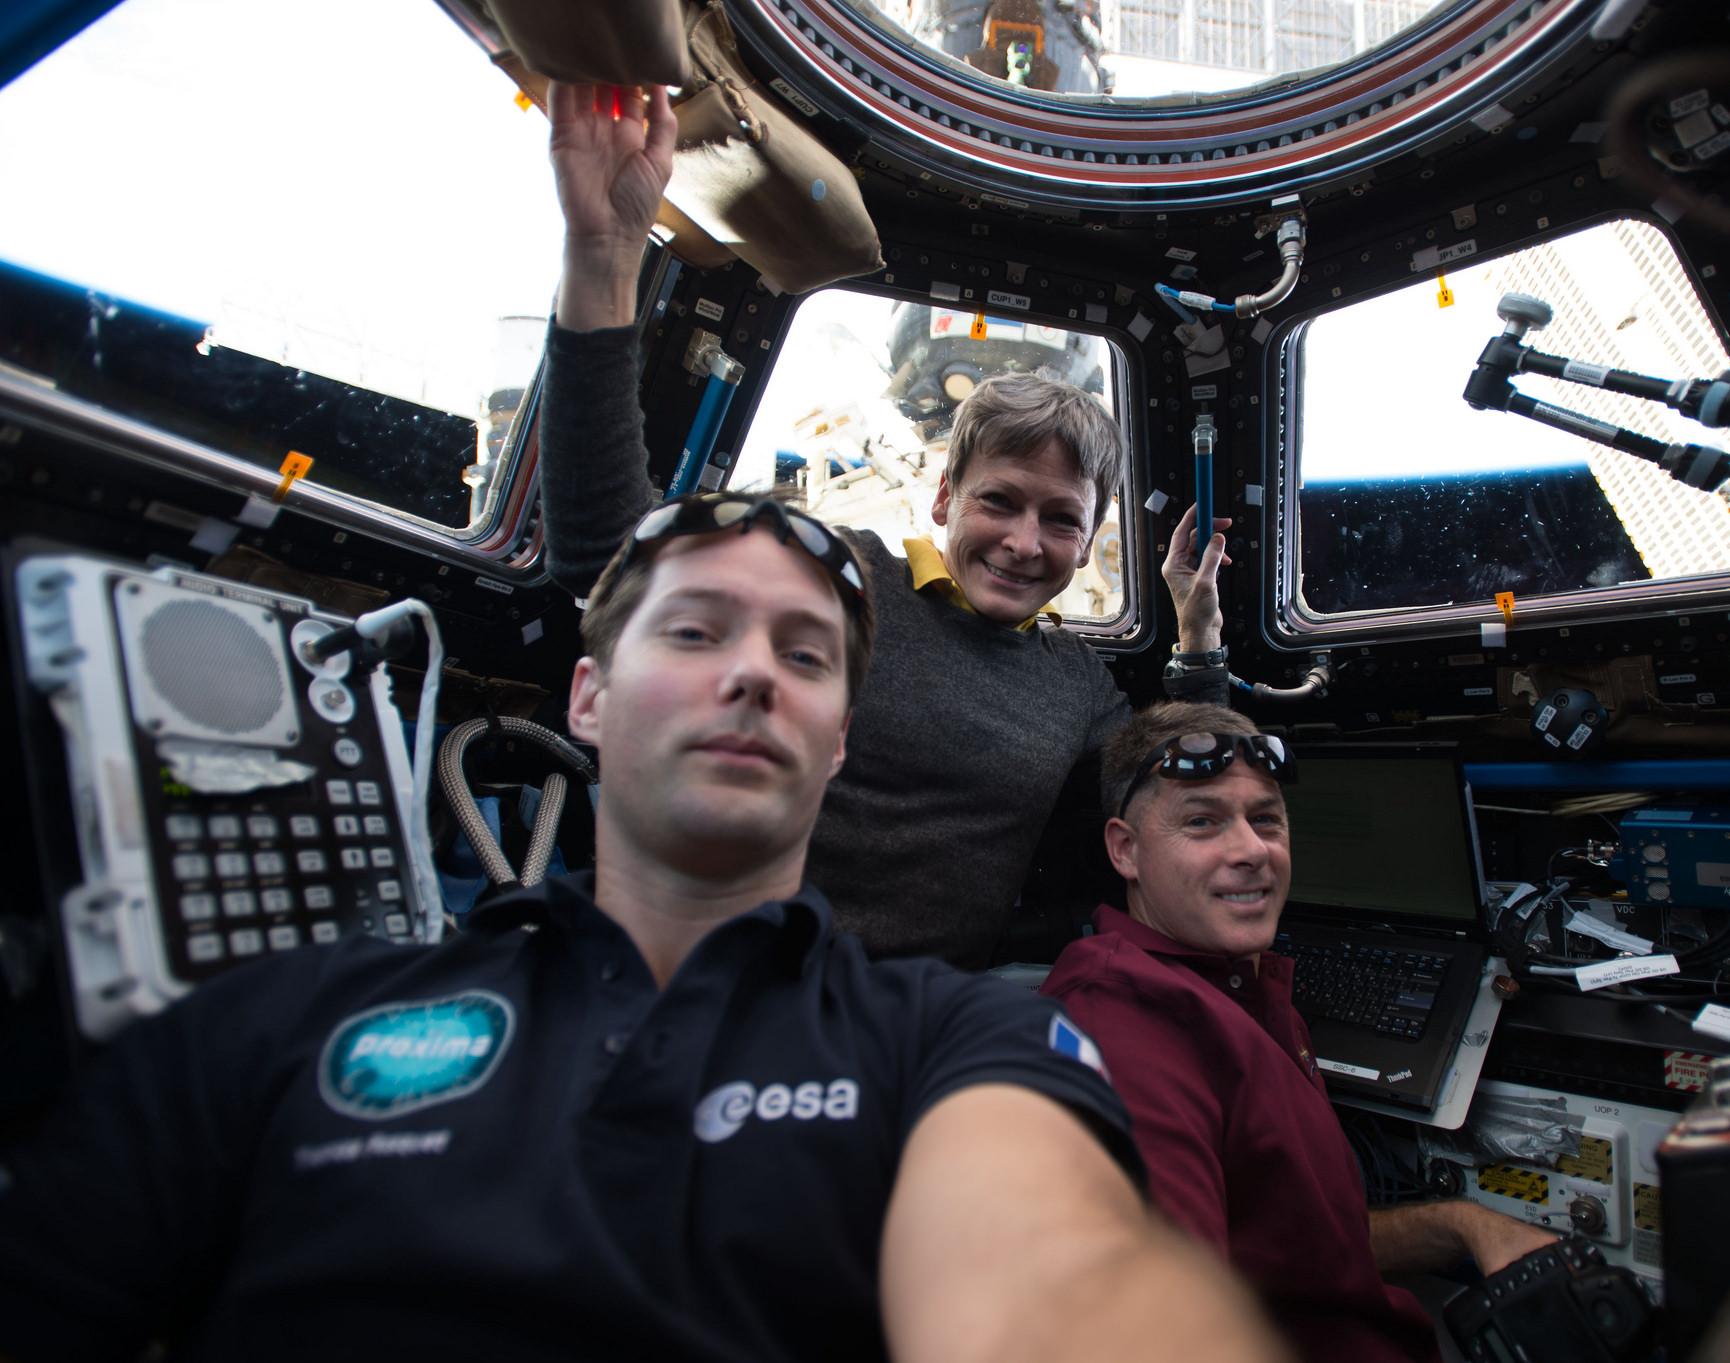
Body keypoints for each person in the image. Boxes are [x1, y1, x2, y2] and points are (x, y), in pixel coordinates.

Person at [0, 497, 1286, 1363]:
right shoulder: (292, 1020)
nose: (748, 672)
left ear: (838, 739)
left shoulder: (961, 1042)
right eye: (694, 631)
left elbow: (1058, 1275)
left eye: (802, 653)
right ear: (589, 696)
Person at [540, 81, 1231, 968]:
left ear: (1092, 539)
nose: (1024, 541)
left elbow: (1179, 788)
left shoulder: (1078, 685)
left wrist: (1199, 637)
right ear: (945, 499)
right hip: (712, 969)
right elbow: (609, 556)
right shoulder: (840, 580)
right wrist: (601, 254)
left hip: (911, 1021)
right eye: (998, 501)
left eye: (1061, 519)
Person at [1042, 700, 1560, 1363]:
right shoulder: (1122, 1026)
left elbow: (1310, 1244)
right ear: (1125, 849)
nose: (1252, 850)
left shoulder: (1242, 983)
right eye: (1202, 821)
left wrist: (1464, 1222)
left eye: (1266, 819)